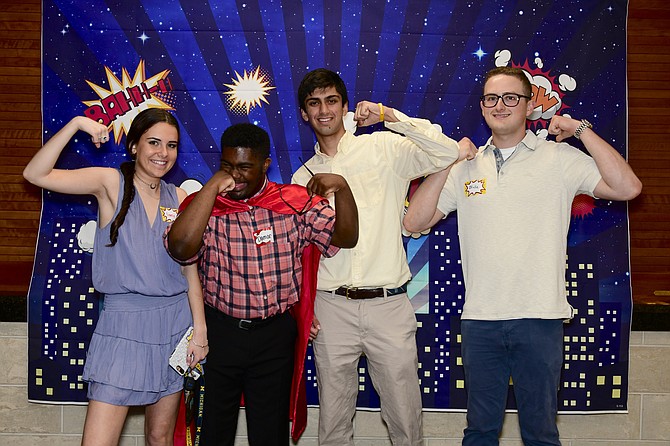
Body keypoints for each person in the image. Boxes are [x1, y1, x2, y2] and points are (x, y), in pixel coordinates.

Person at [403, 66, 642, 445]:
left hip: (540, 318)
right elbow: (413, 221)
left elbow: (628, 187)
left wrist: (581, 130)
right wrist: (446, 161)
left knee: (541, 432)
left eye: (511, 98)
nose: (500, 106)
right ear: (482, 107)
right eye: (491, 99)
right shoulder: (466, 166)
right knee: (480, 430)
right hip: (480, 319)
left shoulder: (558, 157)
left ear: (529, 106)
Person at [291, 68, 473, 446]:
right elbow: (298, 255)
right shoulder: (301, 179)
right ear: (304, 114)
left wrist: (390, 116)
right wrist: (303, 308)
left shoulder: (383, 149)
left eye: (331, 101)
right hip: (330, 309)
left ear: (344, 107)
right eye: (314, 104)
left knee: (405, 421)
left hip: (388, 305)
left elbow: (446, 151)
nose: (324, 111)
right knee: (334, 425)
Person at [23, 108, 208, 446]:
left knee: (160, 437)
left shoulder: (178, 198)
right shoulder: (111, 183)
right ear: (135, 145)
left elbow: (189, 269)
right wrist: (77, 123)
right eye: (153, 142)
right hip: (123, 326)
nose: (163, 153)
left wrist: (200, 331)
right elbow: (36, 173)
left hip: (175, 325)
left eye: (171, 145)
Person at [165, 122, 358, 445]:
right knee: (214, 431)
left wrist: (344, 189)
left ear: (264, 164)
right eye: (227, 166)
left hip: (274, 334)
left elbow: (346, 238)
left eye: (244, 167)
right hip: (220, 332)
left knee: (269, 433)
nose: (235, 176)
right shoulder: (206, 207)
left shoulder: (292, 202)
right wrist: (211, 188)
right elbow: (180, 248)